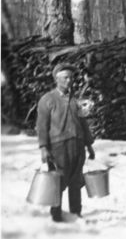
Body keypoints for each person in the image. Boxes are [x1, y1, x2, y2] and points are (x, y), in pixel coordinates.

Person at [36, 63, 95, 222]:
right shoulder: (47, 100)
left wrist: (89, 145)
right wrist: (43, 147)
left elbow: (83, 123)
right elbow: (42, 126)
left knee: (76, 181)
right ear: (57, 79)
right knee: (59, 181)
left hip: (78, 145)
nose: (69, 81)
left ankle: (76, 213)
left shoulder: (75, 101)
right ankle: (56, 215)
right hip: (58, 147)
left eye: (71, 77)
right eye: (65, 77)